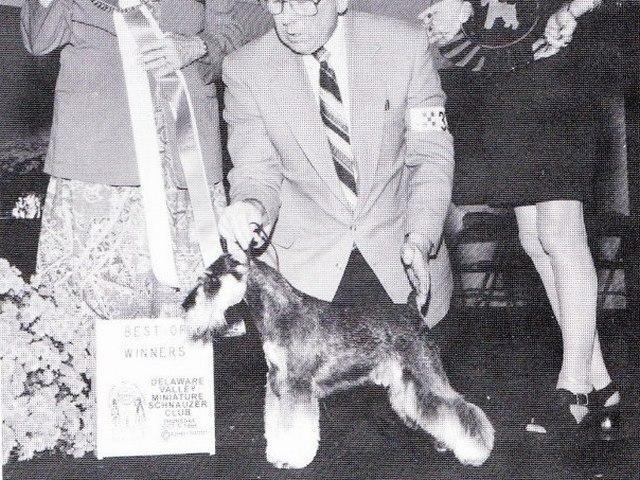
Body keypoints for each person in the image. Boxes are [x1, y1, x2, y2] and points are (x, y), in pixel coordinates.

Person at [22, 0, 239, 445]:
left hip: (185, 159)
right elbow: (39, 38)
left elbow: (243, 22)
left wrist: (199, 46)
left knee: (193, 310)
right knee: (87, 323)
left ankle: (181, 436)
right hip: (98, 165)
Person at [422, 0, 621, 441]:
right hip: (508, 81)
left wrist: (574, 10)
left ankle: (573, 387)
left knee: (559, 233)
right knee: (534, 238)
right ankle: (601, 382)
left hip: (560, 68)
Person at [218, 0, 455, 327]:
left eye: (303, 2)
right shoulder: (245, 69)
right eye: (276, 3)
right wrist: (251, 208)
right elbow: (256, 173)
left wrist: (421, 236)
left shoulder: (406, 44)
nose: (288, 19)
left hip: (402, 261)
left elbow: (430, 154)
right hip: (306, 283)